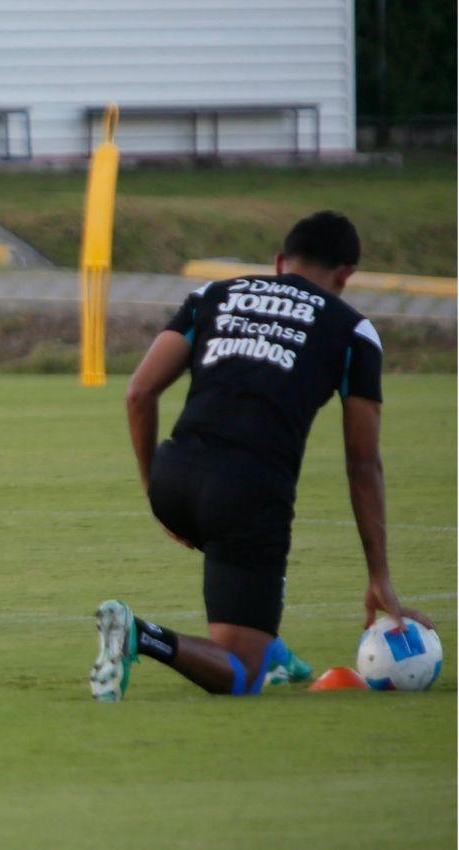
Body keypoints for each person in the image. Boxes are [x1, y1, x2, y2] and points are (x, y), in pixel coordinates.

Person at [90, 210, 433, 699]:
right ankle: (143, 636)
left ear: (278, 262)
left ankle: (268, 643)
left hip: (174, 480)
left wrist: (152, 490)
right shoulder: (353, 331)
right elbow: (362, 462)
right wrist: (378, 573)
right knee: (240, 673)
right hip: (247, 498)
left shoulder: (211, 295)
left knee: (249, 590)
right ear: (346, 275)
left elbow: (139, 392)